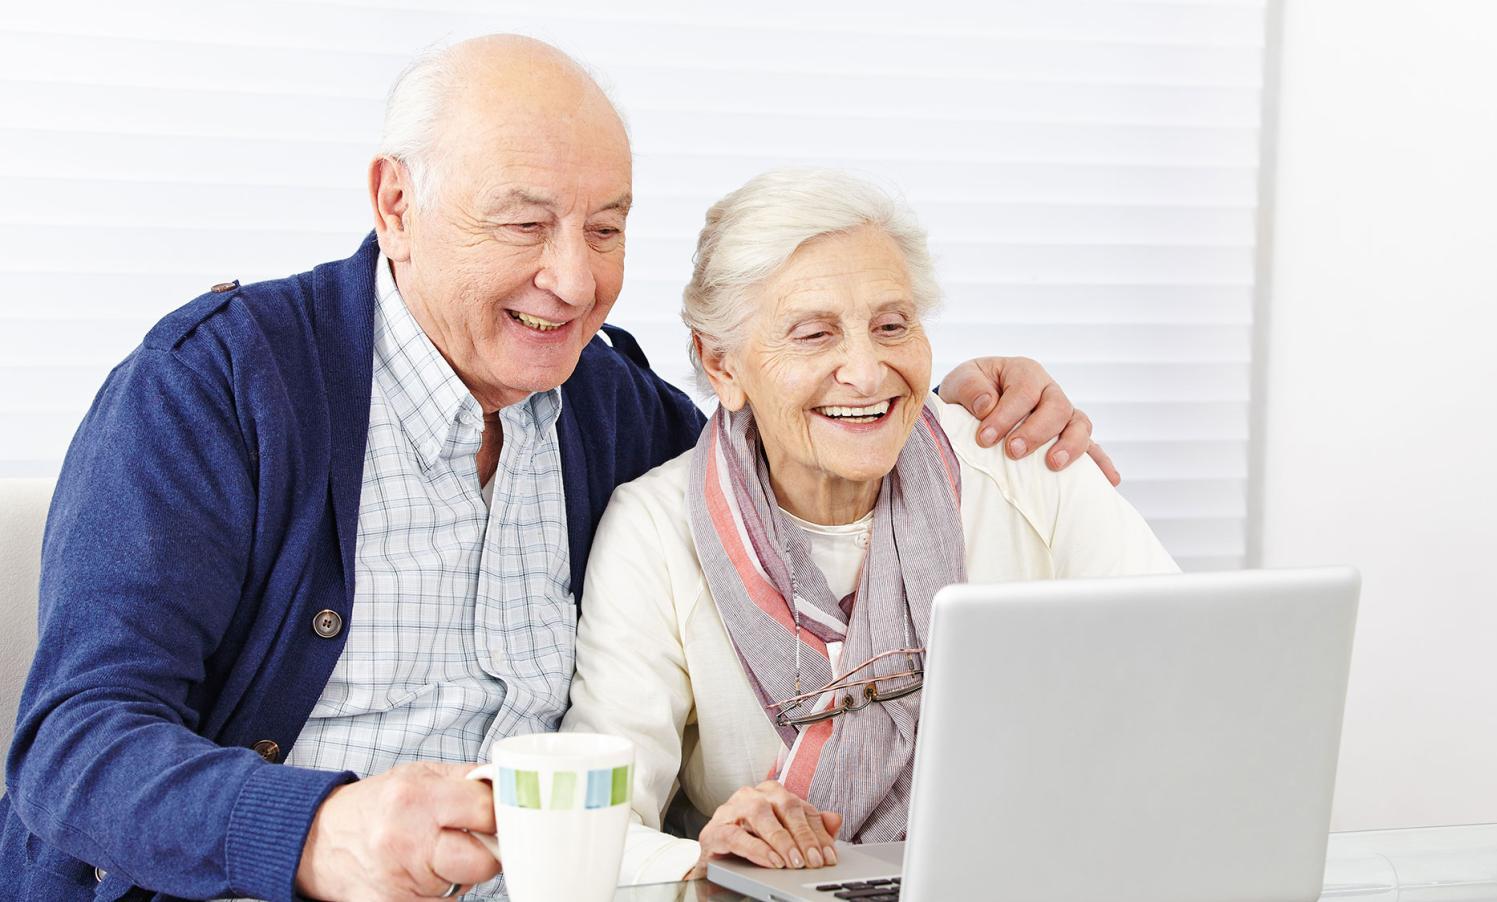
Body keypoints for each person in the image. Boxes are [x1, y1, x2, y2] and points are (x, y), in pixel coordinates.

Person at [0, 36, 1103, 902]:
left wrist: (955, 401)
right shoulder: (217, 388)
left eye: (607, 228)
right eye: (523, 224)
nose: (572, 280)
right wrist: (315, 829)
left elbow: (788, 423)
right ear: (395, 205)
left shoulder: (611, 410)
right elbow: (70, 745)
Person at [561, 168, 1179, 885]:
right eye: (815, 334)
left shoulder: (1026, 467)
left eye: (892, 326)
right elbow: (592, 827)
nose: (866, 369)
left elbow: (1192, 688)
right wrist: (704, 855)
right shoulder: (653, 532)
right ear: (720, 362)